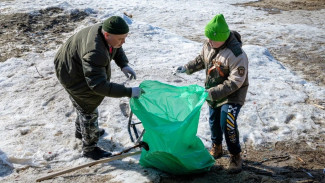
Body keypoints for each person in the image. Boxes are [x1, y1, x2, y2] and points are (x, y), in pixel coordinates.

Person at [54, 16, 143, 160]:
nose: (124, 41)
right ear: (107, 34)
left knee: (83, 106)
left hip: (73, 62)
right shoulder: (95, 52)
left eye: (125, 37)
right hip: (71, 73)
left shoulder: (106, 31)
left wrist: (123, 64)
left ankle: (82, 132)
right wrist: (129, 92)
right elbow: (98, 86)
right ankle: (90, 149)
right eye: (121, 38)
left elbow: (116, 47)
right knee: (88, 108)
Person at [176, 14, 248, 173]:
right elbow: (202, 59)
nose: (209, 41)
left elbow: (236, 81)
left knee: (226, 123)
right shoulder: (209, 44)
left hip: (232, 94)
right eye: (207, 37)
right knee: (214, 121)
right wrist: (187, 68)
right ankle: (217, 146)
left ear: (223, 38)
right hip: (213, 91)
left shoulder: (237, 55)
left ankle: (235, 155)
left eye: (212, 39)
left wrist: (212, 93)